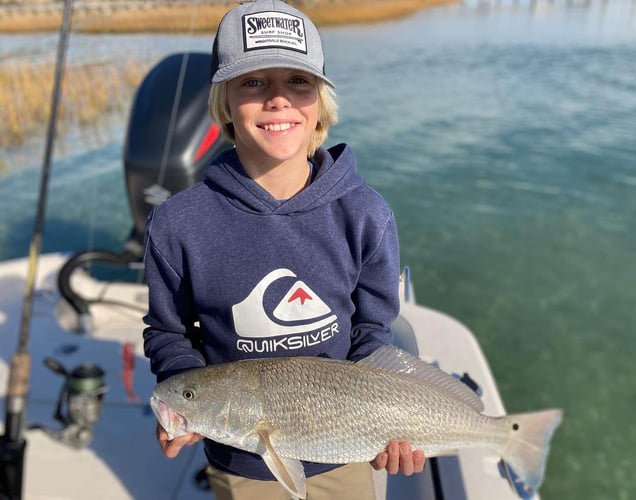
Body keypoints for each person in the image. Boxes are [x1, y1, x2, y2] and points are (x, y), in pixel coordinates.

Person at [142, 0, 425, 498]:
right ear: (223, 101)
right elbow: (168, 330)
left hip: (347, 451)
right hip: (242, 460)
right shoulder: (177, 223)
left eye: (298, 81)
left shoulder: (366, 213)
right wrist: (189, 399)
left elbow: (372, 330)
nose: (278, 100)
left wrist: (392, 423)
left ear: (321, 100)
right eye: (252, 82)